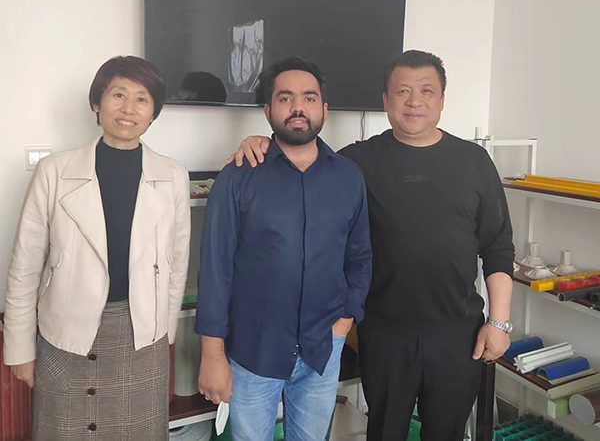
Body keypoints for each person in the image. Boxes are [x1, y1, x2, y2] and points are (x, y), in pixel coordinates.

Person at [228, 50, 515, 441]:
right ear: (385, 100)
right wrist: (262, 142)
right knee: (384, 431)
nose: (414, 101)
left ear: (442, 99)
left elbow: (498, 247)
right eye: (402, 91)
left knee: (447, 433)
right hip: (384, 333)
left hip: (458, 332)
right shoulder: (356, 162)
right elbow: (300, 153)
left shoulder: (474, 162)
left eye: (426, 91)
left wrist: (499, 322)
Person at [3, 56, 191, 440]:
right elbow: (25, 266)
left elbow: (177, 264)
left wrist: (164, 332)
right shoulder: (55, 172)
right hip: (63, 335)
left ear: (153, 112)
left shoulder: (172, 175)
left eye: (142, 99)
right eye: (118, 94)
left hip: (142, 336)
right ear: (97, 102)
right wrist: (20, 348)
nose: (129, 108)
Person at [195, 56, 372, 441]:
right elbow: (215, 269)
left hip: (323, 348)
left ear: (324, 109)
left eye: (309, 98)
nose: (298, 107)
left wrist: (344, 322)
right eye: (285, 98)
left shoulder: (348, 177)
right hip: (253, 351)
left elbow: (359, 258)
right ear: (268, 110)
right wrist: (212, 354)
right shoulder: (238, 176)